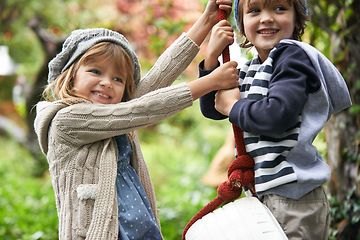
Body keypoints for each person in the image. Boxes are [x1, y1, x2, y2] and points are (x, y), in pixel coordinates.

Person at [33, 0, 239, 239]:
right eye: (95, 71)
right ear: (69, 77)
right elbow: (144, 109)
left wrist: (206, 21)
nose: (107, 83)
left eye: (118, 79)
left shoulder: (116, 112)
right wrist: (210, 82)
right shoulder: (65, 121)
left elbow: (157, 80)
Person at [198, 0, 352, 239]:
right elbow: (214, 108)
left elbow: (276, 116)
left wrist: (233, 106)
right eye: (255, 10)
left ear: (297, 17)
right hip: (267, 195)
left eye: (279, 8)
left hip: (293, 198)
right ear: (242, 23)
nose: (266, 18)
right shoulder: (252, 68)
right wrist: (211, 58)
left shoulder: (293, 58)